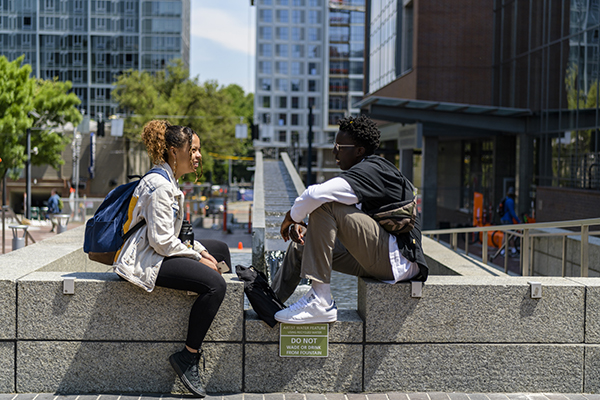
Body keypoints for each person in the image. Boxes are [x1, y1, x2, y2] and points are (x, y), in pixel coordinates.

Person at [272, 115, 429, 324]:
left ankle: (320, 301)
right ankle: (270, 302)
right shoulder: (365, 171)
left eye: (339, 146)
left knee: (325, 204)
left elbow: (315, 195)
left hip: (398, 260)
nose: (334, 151)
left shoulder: (373, 169)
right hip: (377, 258)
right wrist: (307, 230)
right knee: (302, 245)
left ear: (359, 151)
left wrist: (290, 218)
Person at [113, 120, 229, 398]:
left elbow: (172, 236)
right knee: (216, 285)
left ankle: (208, 307)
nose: (198, 155)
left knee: (221, 250)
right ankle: (188, 357)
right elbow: (162, 242)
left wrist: (200, 252)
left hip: (154, 251)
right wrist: (198, 258)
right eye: (194, 149)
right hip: (143, 259)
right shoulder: (160, 186)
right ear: (175, 151)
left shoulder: (168, 180)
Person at [500, 186, 520, 256]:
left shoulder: (506, 199)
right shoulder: (510, 201)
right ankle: (503, 251)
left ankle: (512, 249)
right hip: (507, 220)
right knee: (507, 235)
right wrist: (518, 221)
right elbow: (512, 212)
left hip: (504, 219)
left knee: (508, 235)